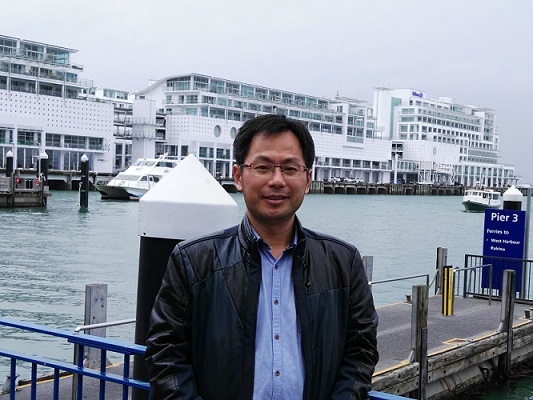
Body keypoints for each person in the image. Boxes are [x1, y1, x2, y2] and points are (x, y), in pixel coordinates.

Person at [145, 114, 379, 400]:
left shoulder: (343, 262)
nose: (277, 180)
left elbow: (360, 351)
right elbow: (166, 354)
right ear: (238, 176)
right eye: (263, 167)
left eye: (290, 168)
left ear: (308, 179)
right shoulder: (192, 261)